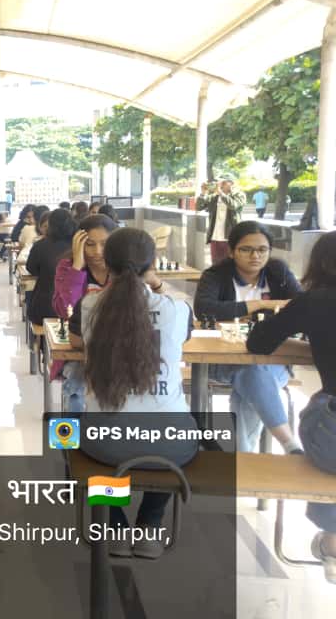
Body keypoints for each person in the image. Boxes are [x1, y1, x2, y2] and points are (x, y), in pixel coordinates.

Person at [69, 227, 198, 559]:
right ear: (152, 263)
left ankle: (115, 527)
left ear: (106, 263)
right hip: (171, 446)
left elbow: (75, 342)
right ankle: (150, 525)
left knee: (68, 431)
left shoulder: (89, 305)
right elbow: (184, 336)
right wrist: (157, 284)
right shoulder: (176, 309)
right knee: (178, 430)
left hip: (105, 444)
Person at [247, 231, 336, 582]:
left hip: (330, 432)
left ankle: (333, 540)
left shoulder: (315, 300)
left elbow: (259, 342)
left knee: (325, 426)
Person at [193, 221, 303, 453]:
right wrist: (262, 304)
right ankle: (287, 444)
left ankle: (242, 458)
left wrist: (239, 311)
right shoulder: (216, 275)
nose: (255, 256)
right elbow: (204, 309)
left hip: (273, 360)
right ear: (232, 251)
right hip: (223, 360)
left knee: (253, 373)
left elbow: (301, 306)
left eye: (262, 250)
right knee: (252, 374)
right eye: (246, 249)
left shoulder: (279, 273)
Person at [52, 214, 123, 412]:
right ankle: (72, 432)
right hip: (80, 349)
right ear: (79, 244)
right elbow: (65, 309)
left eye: (104, 244)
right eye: (90, 244)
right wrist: (77, 267)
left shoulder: (122, 269)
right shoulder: (67, 268)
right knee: (76, 382)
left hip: (117, 349)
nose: (97, 252)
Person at [26, 209, 77, 328]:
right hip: (73, 308)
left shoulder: (40, 245)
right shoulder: (76, 245)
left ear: (50, 226)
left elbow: (31, 268)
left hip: (44, 307)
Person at [197, 175, 246, 265]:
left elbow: (233, 205)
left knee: (230, 265)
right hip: (215, 237)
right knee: (216, 265)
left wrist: (221, 193)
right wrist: (203, 193)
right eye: (219, 182)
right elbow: (199, 207)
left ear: (231, 183)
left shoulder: (239, 195)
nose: (220, 184)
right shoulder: (215, 197)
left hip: (230, 238)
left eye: (223, 182)